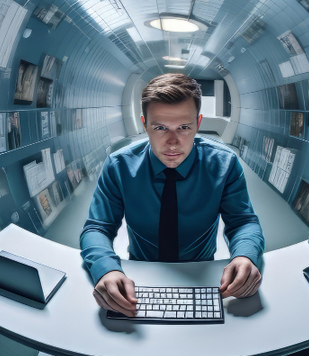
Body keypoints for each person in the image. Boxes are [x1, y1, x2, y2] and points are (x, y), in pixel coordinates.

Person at [80, 73, 265, 317]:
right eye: (160, 128)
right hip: (138, 274)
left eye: (184, 128)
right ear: (144, 124)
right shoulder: (118, 166)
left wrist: (245, 256)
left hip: (203, 274)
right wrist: (106, 270)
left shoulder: (225, 164)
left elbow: (243, 221)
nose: (172, 143)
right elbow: (97, 228)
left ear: (198, 123)